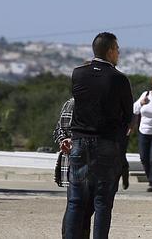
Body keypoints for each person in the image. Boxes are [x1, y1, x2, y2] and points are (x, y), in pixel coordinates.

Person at [64, 32, 133, 239]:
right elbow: (127, 115)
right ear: (110, 50)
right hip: (106, 143)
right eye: (117, 49)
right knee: (102, 202)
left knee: (76, 200)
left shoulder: (78, 73)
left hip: (79, 142)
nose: (118, 53)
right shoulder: (118, 78)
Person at [53, 98, 92, 239]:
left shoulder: (74, 102)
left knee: (81, 207)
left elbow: (59, 129)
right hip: (78, 160)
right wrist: (65, 140)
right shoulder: (75, 103)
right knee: (78, 206)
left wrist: (66, 140)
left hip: (79, 159)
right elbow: (60, 129)